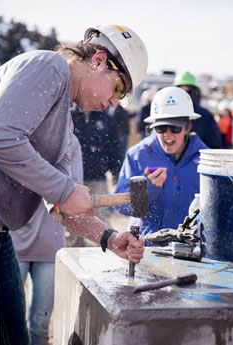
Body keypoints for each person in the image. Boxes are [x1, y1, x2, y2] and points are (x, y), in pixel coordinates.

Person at [0, 24, 147, 345]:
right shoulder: (49, 67)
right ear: (99, 61)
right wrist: (64, 188)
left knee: (15, 344)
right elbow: (0, 134)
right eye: (118, 89)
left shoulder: (64, 131)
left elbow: (64, 207)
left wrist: (111, 238)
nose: (115, 103)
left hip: (0, 237)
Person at [11, 136, 82, 345]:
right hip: (11, 242)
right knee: (8, 325)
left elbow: (77, 193)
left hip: (48, 244)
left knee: (40, 324)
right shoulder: (14, 133)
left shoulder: (69, 143)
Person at [114, 86, 208, 238]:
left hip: (190, 248)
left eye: (175, 128)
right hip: (147, 246)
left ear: (187, 127)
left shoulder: (206, 161)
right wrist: (146, 189)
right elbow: (121, 206)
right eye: (161, 128)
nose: (167, 134)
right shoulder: (137, 155)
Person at [71, 104, 122, 220]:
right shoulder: (69, 117)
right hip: (73, 179)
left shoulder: (106, 119)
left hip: (98, 177)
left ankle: (109, 238)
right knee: (74, 219)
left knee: (102, 217)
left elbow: (114, 147)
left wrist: (116, 172)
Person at [172, 71, 224, 149]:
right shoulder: (167, 114)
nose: (184, 95)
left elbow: (215, 147)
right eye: (180, 91)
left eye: (188, 91)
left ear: (195, 93)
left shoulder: (206, 116)